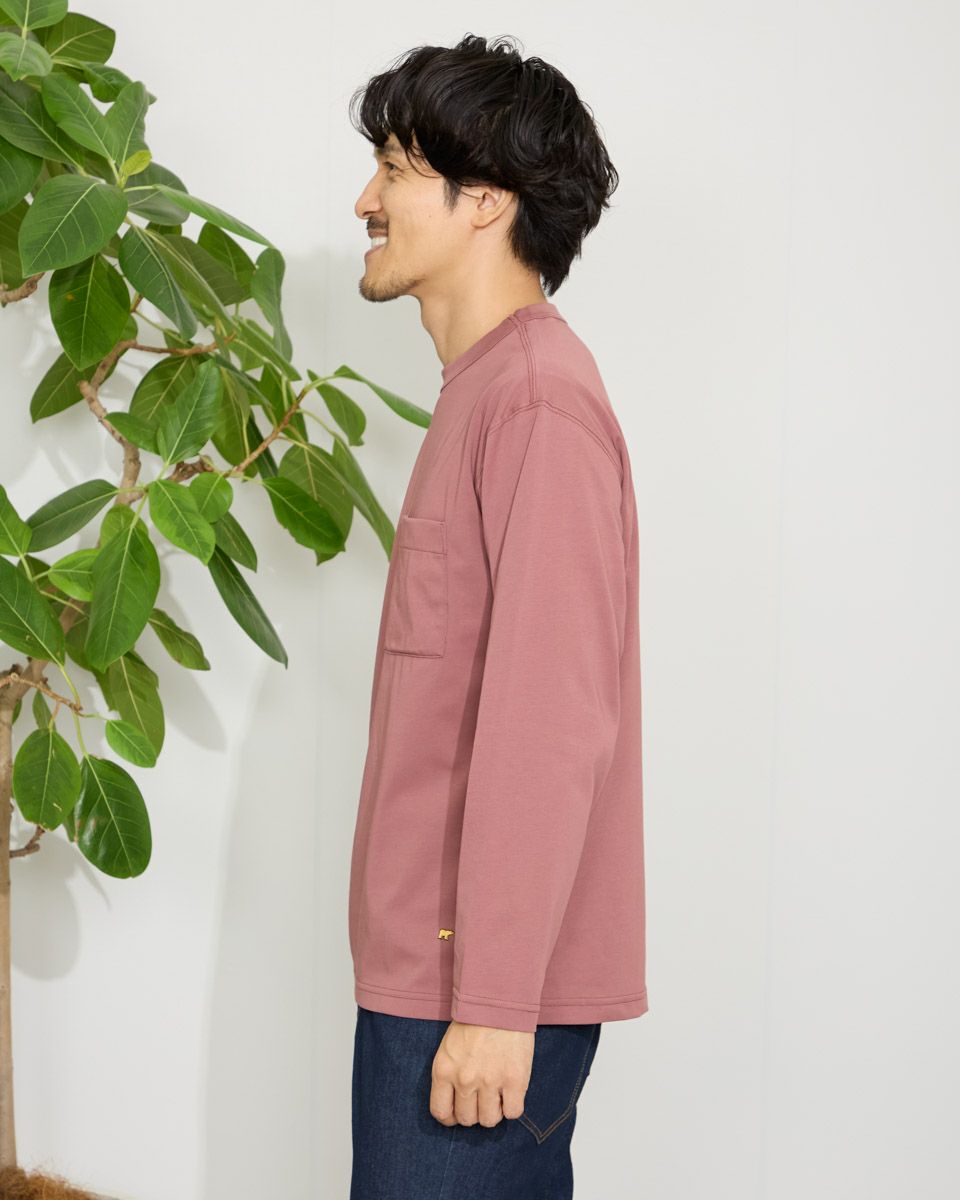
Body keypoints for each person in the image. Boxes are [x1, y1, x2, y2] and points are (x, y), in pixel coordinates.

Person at [347, 32, 647, 1198]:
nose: (365, 201)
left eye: (394, 169)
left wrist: (496, 1003)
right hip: (437, 982)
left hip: (469, 1002)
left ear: (486, 199)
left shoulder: (535, 402)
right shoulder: (487, 394)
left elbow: (548, 728)